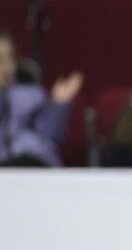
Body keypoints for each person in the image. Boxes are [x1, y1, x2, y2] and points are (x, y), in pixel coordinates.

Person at [0, 31, 82, 167]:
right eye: (1, 60)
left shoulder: (32, 95)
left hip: (32, 161)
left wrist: (57, 104)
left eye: (11, 58)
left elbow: (50, 135)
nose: (8, 66)